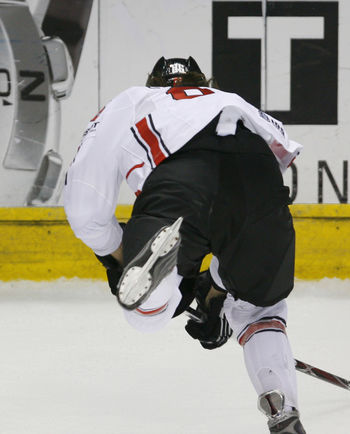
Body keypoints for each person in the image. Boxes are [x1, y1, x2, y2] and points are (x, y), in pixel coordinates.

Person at [63, 56, 306, 434]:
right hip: (258, 178)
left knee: (144, 316)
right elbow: (256, 181)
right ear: (203, 82)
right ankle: (281, 406)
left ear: (155, 84)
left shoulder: (135, 99)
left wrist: (118, 257)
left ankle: (157, 282)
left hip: (180, 181)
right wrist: (218, 290)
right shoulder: (231, 101)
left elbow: (84, 208)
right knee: (259, 307)